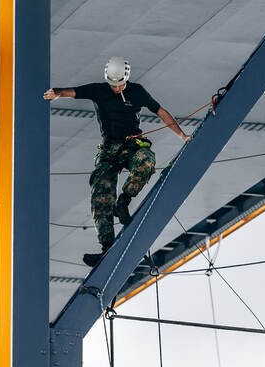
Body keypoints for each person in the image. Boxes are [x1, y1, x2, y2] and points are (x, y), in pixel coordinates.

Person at [43, 57, 190, 267]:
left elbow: (161, 112)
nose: (116, 88)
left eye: (120, 84)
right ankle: (107, 246)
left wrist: (182, 136)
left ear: (126, 78)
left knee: (146, 161)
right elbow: (73, 92)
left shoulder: (137, 92)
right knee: (100, 191)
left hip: (132, 146)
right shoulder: (99, 90)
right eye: (113, 85)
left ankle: (123, 202)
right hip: (109, 150)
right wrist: (57, 93)